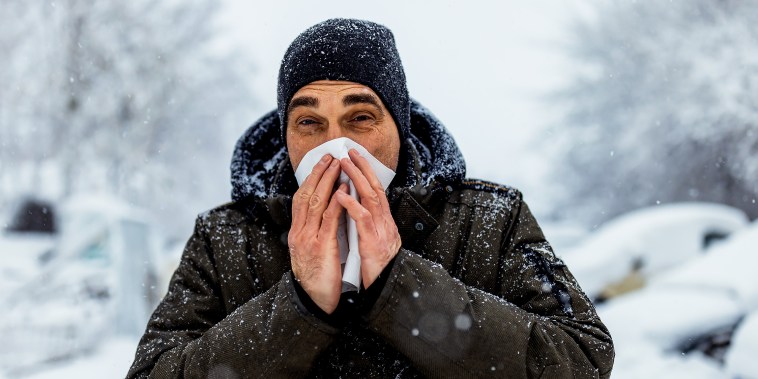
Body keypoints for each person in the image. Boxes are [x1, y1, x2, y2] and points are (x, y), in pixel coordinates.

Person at [127, 18, 614, 378]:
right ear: (286, 133)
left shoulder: (489, 219)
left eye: (361, 117)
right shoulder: (227, 237)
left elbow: (583, 360)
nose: (335, 146)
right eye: (309, 122)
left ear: (397, 125)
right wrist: (300, 306)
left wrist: (399, 287)